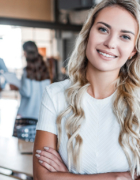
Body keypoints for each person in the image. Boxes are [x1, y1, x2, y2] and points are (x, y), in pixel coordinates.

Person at [33, 0, 140, 180]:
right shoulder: (55, 94)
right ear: (88, 33)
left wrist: (65, 176)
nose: (110, 43)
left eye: (125, 36)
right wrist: (116, 177)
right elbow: (42, 176)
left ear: (133, 51)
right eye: (103, 29)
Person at [12, 41, 50, 137]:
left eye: (24, 51)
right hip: (40, 115)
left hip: (26, 114)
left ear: (27, 52)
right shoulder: (44, 69)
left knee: (20, 144)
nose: (23, 54)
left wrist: (17, 87)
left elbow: (27, 92)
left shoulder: (27, 70)